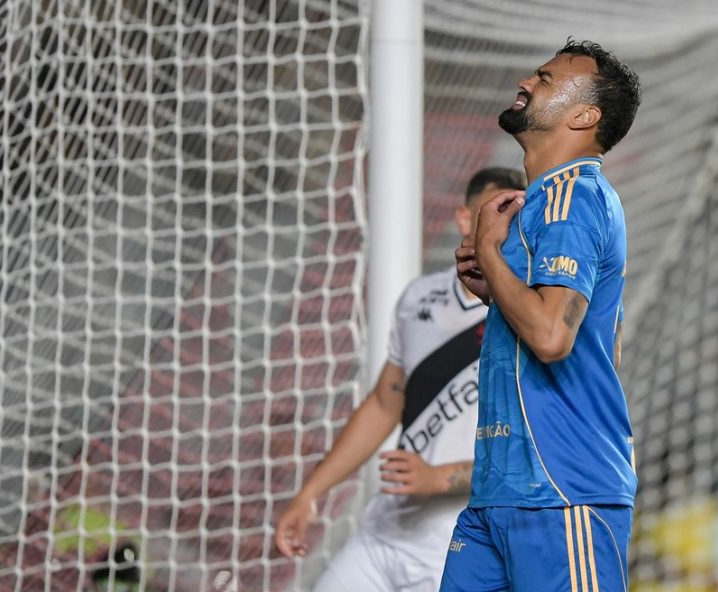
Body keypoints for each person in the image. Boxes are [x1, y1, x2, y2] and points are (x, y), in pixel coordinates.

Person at [443, 39, 642, 591]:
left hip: (562, 492)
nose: (527, 83)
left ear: (585, 115)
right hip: (501, 491)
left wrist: (488, 252)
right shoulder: (541, 205)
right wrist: (497, 288)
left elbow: (552, 337)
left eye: (546, 80)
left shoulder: (573, 197)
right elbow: (594, 338)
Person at [275, 167, 526, 592]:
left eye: (517, 217)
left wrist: (439, 477)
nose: (509, 227)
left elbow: (530, 451)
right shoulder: (418, 298)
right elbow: (383, 404)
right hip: (384, 530)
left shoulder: (532, 316)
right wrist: (312, 492)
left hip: (460, 544)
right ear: (465, 220)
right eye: (497, 212)